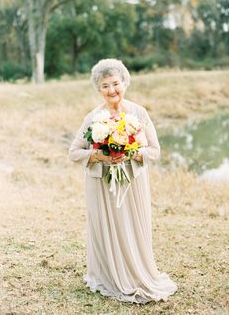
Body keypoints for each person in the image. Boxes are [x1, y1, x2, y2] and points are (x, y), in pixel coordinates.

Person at [69, 58, 177, 304]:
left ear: (124, 83)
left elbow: (155, 150)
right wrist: (98, 155)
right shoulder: (93, 118)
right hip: (101, 185)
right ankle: (109, 275)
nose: (111, 90)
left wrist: (131, 152)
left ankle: (137, 273)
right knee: (108, 228)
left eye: (115, 83)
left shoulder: (139, 113)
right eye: (105, 86)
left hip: (133, 183)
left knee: (132, 227)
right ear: (99, 89)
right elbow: (74, 152)